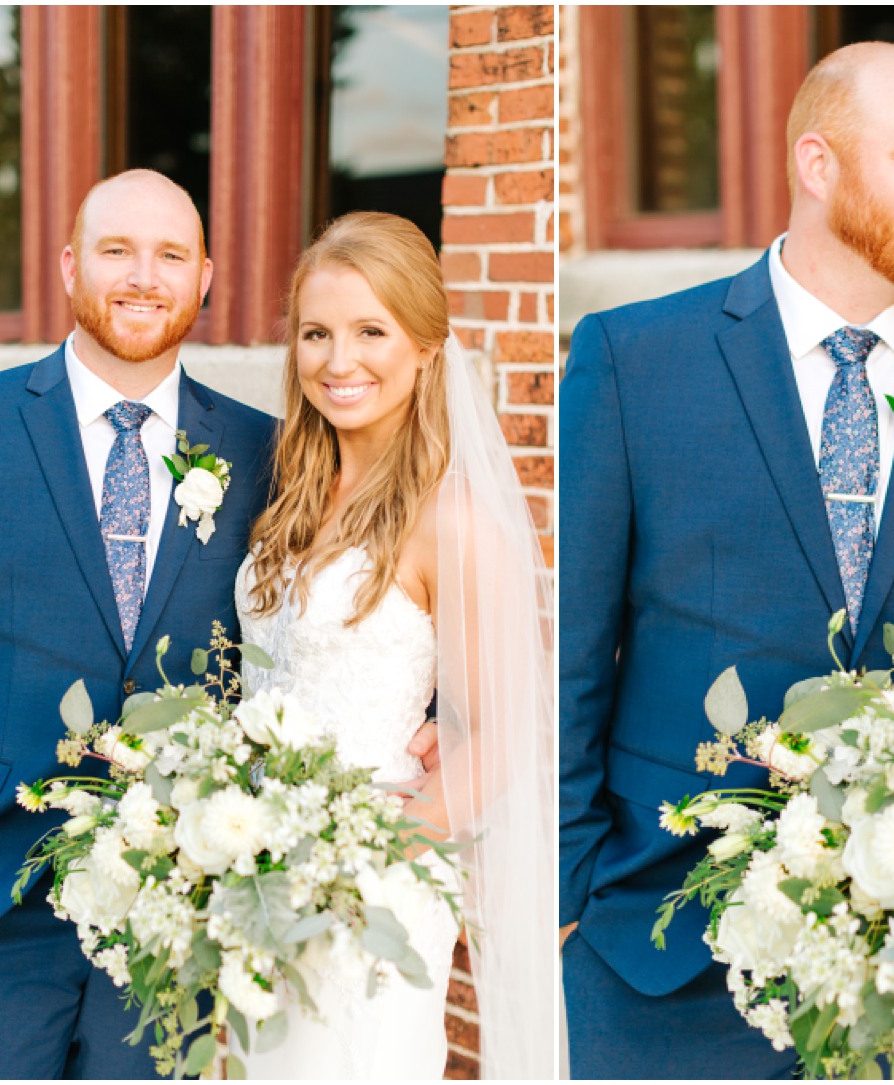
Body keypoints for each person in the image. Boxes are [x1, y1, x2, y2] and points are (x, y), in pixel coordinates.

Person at [558, 43, 894, 1078]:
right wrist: (564, 901)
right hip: (658, 949)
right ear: (817, 163)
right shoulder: (632, 358)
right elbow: (569, 650)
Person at [0, 169, 278, 1078]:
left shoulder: (263, 452)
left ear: (204, 279)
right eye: (117, 250)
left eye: (170, 255)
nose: (142, 277)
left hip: (171, 914)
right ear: (72, 265)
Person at [232, 212, 554, 1079]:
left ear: (424, 348)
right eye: (316, 333)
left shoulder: (452, 519)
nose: (340, 362)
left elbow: (501, 735)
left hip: (372, 890)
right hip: (259, 878)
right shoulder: (289, 500)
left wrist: (364, 865)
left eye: (371, 331)